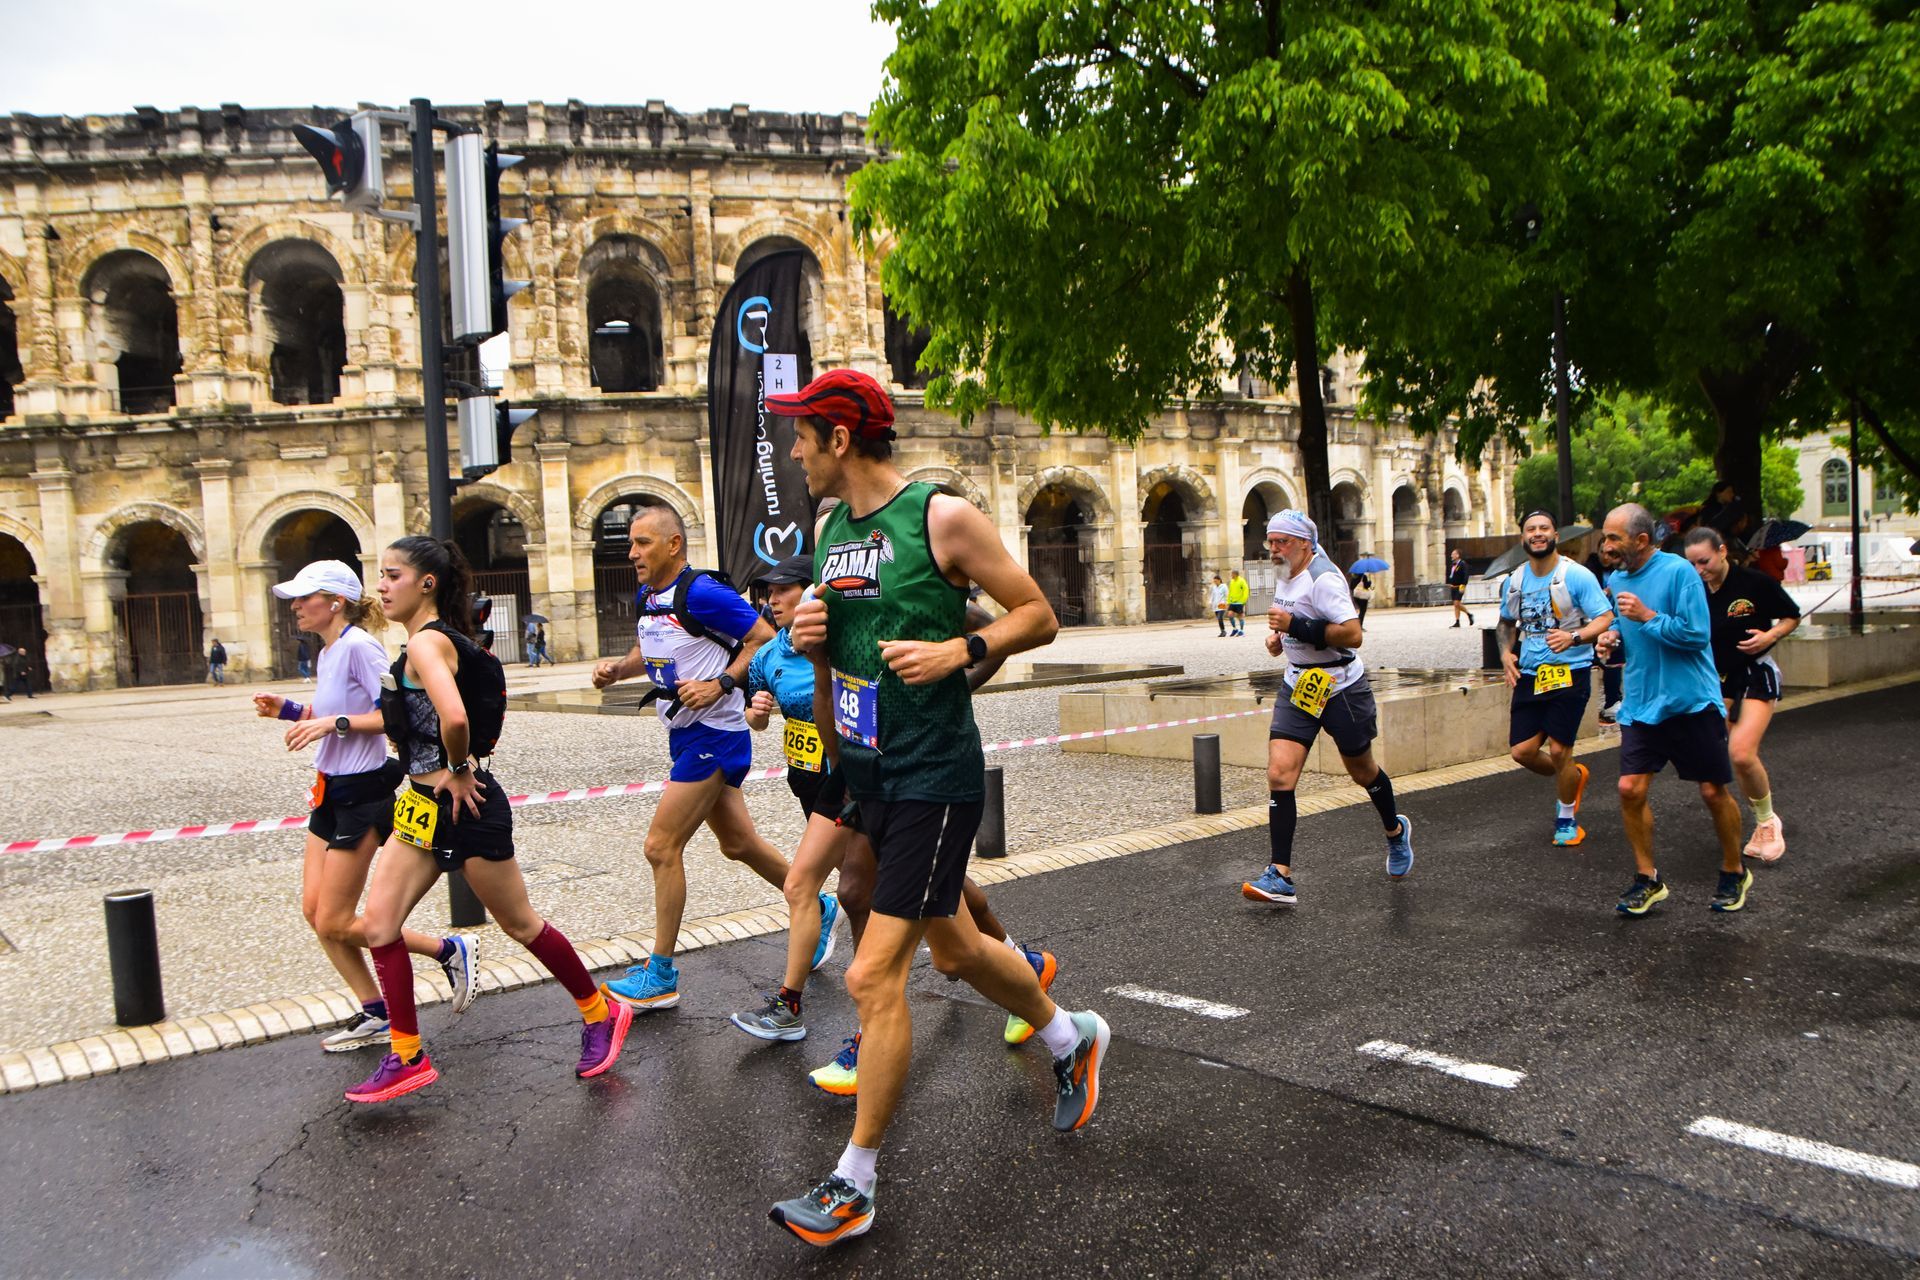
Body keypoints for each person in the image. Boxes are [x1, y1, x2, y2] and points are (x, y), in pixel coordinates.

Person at [767, 368, 1108, 1247]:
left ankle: (856, 1182)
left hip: (935, 776)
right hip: (869, 773)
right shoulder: (829, 526)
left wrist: (961, 648)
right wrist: (810, 653)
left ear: (840, 439)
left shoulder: (939, 517)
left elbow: (1038, 614)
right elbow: (836, 659)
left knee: (871, 976)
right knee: (954, 950)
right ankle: (1070, 1035)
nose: (792, 449)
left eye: (802, 434)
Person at [348, 536, 630, 1102]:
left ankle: (602, 1012)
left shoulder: (428, 644)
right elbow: (416, 718)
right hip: (421, 806)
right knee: (380, 924)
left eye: (391, 574)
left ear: (426, 583)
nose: (380, 585)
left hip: (466, 800)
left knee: (520, 924)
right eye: (380, 575)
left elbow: (453, 718)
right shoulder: (424, 644)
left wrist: (457, 767)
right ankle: (406, 1056)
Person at [251, 559, 476, 1053]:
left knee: (335, 920)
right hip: (329, 789)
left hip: (365, 792)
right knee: (316, 913)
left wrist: (333, 726)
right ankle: (373, 1010)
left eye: (304, 597)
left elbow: (391, 714)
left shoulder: (359, 646)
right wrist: (288, 711)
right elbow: (334, 711)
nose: (295, 607)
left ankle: (446, 948)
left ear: (334, 602)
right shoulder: (328, 651)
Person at [592, 505, 798, 1012]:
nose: (632, 552)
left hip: (716, 732)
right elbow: (655, 646)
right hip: (683, 733)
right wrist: (619, 669)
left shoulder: (704, 592)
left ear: (673, 544)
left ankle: (660, 974)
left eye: (642, 543)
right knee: (739, 843)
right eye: (631, 545)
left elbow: (764, 640)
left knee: (661, 846)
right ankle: (815, 904)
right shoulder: (651, 596)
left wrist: (721, 683)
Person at [1242, 510, 1414, 907]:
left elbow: (1352, 635)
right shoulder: (1287, 572)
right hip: (1299, 684)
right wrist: (1278, 640)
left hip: (1341, 688)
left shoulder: (1324, 577)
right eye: (1270, 541)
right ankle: (1280, 875)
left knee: (1362, 770)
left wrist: (1295, 627)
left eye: (1281, 542)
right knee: (1279, 773)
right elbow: (1291, 622)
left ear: (1304, 542)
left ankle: (1394, 831)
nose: (1273, 549)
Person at [1595, 505, 1751, 916]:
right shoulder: (1617, 579)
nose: (1606, 546)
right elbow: (1633, 633)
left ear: (1641, 540)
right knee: (1630, 789)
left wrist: (1647, 616)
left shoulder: (1680, 572)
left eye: (1614, 538)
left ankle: (1734, 870)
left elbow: (1697, 634)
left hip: (1691, 702)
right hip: (1643, 705)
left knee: (1713, 791)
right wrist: (1612, 637)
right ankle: (1647, 879)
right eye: (1606, 537)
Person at [1496, 512, 1616, 846]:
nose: (1537, 534)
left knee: (1561, 750)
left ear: (1555, 536)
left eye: (1544, 529)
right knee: (1522, 752)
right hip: (1531, 676)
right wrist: (1506, 653)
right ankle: (1572, 776)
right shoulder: (1515, 581)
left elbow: (1605, 617)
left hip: (1570, 672)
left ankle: (1566, 819)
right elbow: (1505, 623)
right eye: (1531, 530)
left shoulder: (1575, 575)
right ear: (1523, 538)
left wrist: (1575, 638)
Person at [1683, 527, 1801, 863]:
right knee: (1714, 757)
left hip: (1755, 672)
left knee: (1742, 753)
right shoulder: (1695, 592)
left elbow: (1791, 616)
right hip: (1715, 680)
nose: (1699, 570)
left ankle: (1767, 822)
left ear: (1722, 551)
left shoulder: (1754, 582)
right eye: (1692, 564)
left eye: (1704, 561)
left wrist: (1770, 636)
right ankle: (1747, 820)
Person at [1584, 547, 1624, 722]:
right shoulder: (1588, 573)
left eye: (1612, 553)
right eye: (1603, 552)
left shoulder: (1618, 575)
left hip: (1612, 624)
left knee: (1614, 659)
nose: (1607, 557)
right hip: (1592, 623)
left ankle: (1613, 701)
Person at [1447, 550, 1474, 627]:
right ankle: (1457, 621)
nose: (1451, 556)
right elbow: (1451, 575)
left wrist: (1463, 585)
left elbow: (1466, 575)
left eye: (1453, 554)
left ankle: (1469, 614)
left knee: (1456, 603)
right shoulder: (1452, 564)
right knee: (1456, 605)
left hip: (1460, 586)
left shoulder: (1463, 564)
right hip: (1453, 586)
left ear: (1458, 555)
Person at [1226, 569, 1249, 635]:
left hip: (1239, 602)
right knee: (1230, 615)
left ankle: (1241, 631)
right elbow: (1230, 592)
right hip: (1232, 602)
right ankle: (1235, 629)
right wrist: (1228, 601)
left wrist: (1244, 600)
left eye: (1232, 574)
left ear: (1235, 574)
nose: (1231, 575)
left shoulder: (1242, 581)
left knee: (1240, 616)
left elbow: (1246, 590)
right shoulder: (1232, 581)